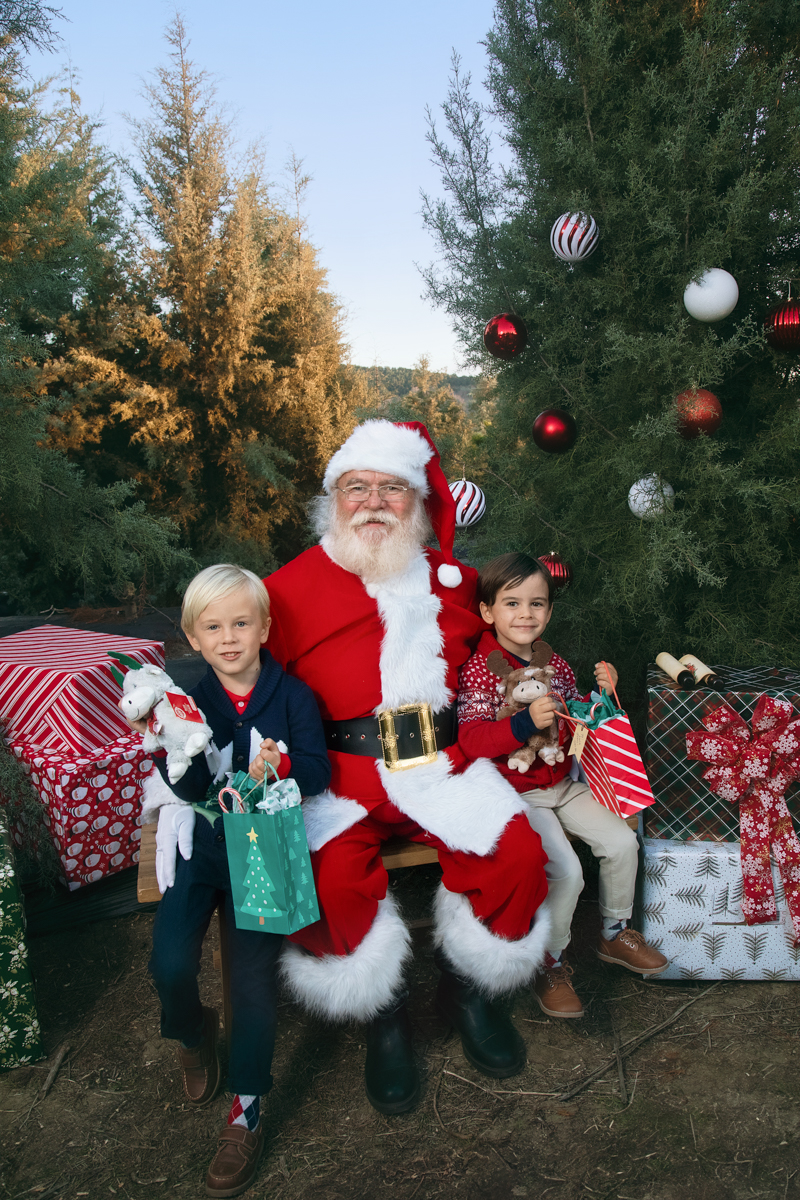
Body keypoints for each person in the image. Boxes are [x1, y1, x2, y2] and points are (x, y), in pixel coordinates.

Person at [264, 420, 551, 1115]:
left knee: (516, 856)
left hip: (441, 764)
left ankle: (468, 989)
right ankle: (384, 1016)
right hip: (339, 776)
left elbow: (509, 650)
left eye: (391, 489)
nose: (373, 502)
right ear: (332, 499)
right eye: (356, 487)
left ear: (417, 502)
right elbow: (244, 674)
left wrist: (536, 709)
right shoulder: (285, 590)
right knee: (329, 880)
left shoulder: (455, 584)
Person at [134, 564, 330, 1198]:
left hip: (262, 849)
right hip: (202, 851)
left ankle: (245, 1112)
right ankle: (193, 1033)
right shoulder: (188, 700)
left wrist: (278, 766)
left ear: (264, 628)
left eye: (240, 623)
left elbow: (320, 770)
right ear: (192, 636)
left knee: (252, 982)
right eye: (212, 626)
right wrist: (177, 753)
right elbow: (186, 787)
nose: (228, 638)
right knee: (169, 964)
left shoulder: (293, 695)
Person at [457, 551, 668, 1020]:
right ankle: (548, 962)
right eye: (512, 604)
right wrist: (522, 723)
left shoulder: (556, 662)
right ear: (488, 611)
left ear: (549, 610)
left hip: (563, 779)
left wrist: (604, 697)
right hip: (516, 791)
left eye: (537, 603)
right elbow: (470, 739)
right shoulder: (480, 668)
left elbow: (578, 724)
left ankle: (614, 933)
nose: (526, 614)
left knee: (622, 840)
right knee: (567, 870)